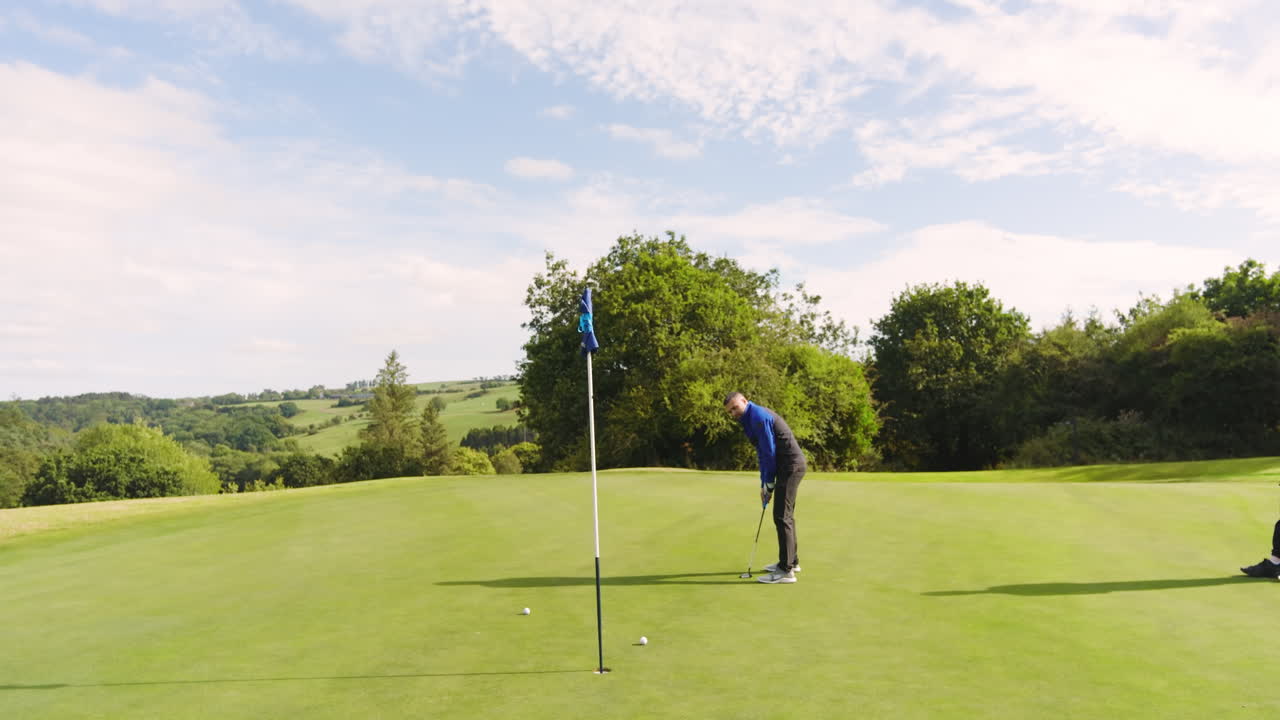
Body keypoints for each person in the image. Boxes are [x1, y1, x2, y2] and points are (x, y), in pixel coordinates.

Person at [724, 391, 806, 584]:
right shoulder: (748, 419)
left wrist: (769, 484)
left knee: (781, 516)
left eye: (735, 407)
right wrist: (764, 484)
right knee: (786, 515)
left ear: (745, 401)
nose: (733, 413)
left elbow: (770, 453)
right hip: (786, 467)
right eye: (729, 411)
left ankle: (786, 571)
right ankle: (791, 561)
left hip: (791, 466)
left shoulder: (758, 417)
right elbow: (762, 453)